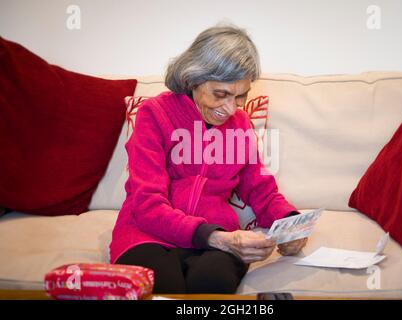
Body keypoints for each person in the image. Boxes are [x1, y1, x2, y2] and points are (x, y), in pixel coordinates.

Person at [110, 24, 307, 294]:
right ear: (193, 79)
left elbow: (260, 189)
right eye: (221, 94)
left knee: (213, 283)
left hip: (219, 237)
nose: (230, 109)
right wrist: (214, 237)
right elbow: (147, 204)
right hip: (148, 234)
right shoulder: (154, 114)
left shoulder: (241, 124)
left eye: (240, 96)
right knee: (164, 287)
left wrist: (290, 223)